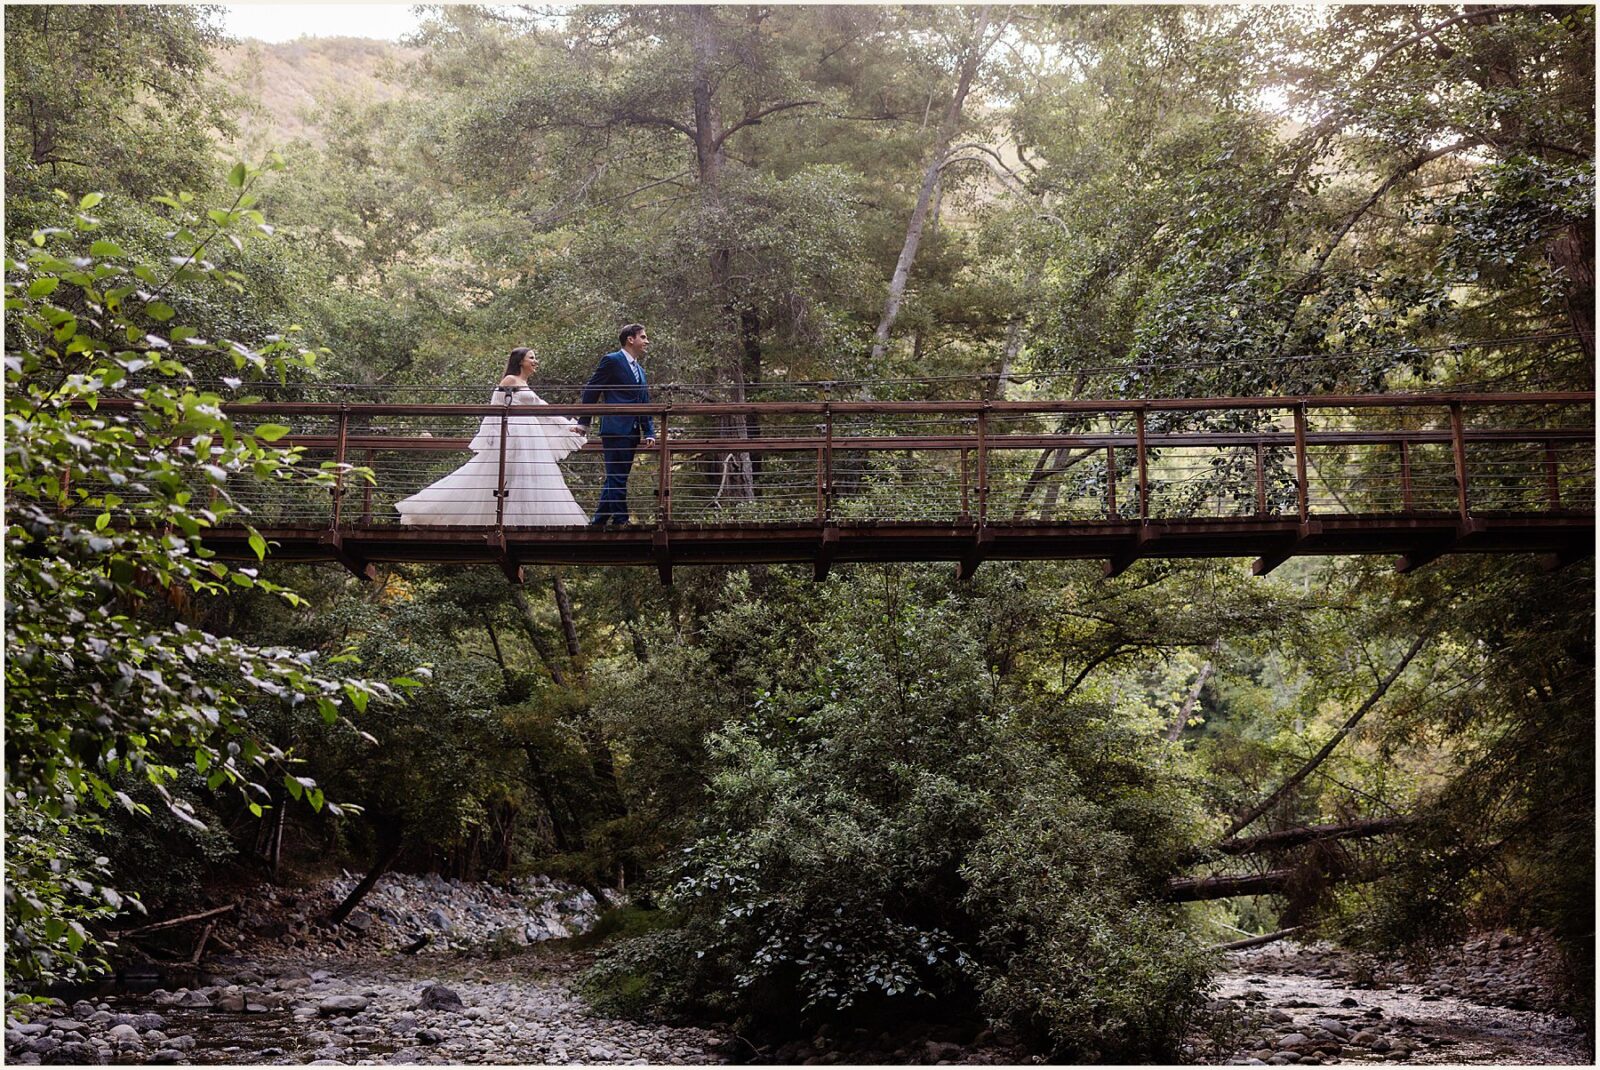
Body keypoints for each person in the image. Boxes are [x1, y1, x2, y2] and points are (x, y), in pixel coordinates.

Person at [395, 347, 589, 526]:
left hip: (530, 435)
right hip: (513, 434)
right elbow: (496, 407)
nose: (535, 361)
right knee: (496, 475)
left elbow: (542, 408)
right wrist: (492, 436)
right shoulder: (510, 381)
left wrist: (567, 425)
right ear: (520, 361)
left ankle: (517, 519)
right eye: (532, 358)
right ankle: (431, 509)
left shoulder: (525, 384)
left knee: (526, 477)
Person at [578, 323, 656, 526]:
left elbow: (644, 402)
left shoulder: (640, 370)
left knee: (616, 476)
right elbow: (592, 390)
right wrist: (584, 422)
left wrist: (649, 431)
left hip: (632, 431)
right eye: (643, 337)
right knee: (618, 476)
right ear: (631, 339)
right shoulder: (612, 360)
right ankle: (621, 520)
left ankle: (599, 521)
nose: (647, 341)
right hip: (614, 428)